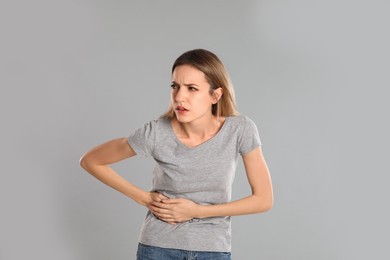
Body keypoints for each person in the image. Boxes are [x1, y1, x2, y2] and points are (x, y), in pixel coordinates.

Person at [79, 49, 273, 260]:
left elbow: (263, 200)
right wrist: (144, 198)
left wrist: (196, 211)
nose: (179, 97)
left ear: (215, 95)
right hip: (157, 248)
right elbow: (91, 161)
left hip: (213, 250)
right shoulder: (156, 133)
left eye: (192, 88)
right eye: (175, 86)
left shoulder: (240, 129)